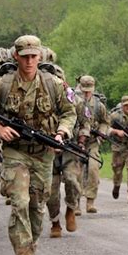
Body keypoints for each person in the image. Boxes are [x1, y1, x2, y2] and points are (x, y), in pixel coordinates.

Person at [0, 35, 76, 255]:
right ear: (16, 57)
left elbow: (69, 112)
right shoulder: (1, 85)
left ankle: (29, 249)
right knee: (20, 201)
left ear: (40, 56)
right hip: (15, 152)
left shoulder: (54, 84)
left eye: (34, 56)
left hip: (43, 153)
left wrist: (62, 132)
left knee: (36, 207)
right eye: (25, 57)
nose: (30, 61)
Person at [47, 92, 90, 237]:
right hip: (48, 150)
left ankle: (71, 209)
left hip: (70, 149)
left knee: (72, 181)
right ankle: (55, 222)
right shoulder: (41, 98)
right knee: (51, 191)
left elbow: (85, 123)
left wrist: (81, 142)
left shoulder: (76, 101)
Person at [77, 75, 109, 214]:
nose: (86, 93)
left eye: (89, 90)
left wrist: (101, 133)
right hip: (76, 142)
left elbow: (105, 122)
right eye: (84, 90)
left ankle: (90, 201)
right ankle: (75, 203)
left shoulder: (98, 105)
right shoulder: (74, 101)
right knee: (76, 173)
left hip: (92, 142)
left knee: (93, 170)